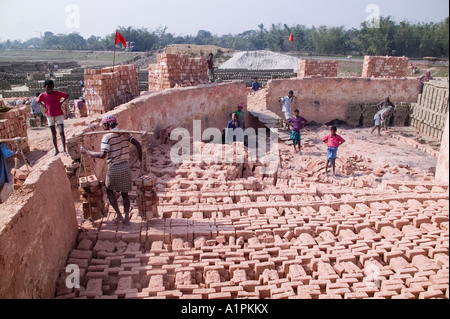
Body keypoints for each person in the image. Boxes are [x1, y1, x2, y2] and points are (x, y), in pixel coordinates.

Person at [81, 115, 143, 226]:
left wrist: (88, 153)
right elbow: (138, 144)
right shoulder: (125, 133)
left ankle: (119, 215)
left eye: (104, 125)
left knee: (109, 190)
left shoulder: (107, 137)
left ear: (108, 125)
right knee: (125, 194)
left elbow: (103, 155)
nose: (104, 127)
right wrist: (141, 160)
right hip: (125, 167)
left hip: (114, 168)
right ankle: (127, 219)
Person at [36, 80, 69, 156]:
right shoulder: (42, 95)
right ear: (45, 87)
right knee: (53, 132)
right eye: (48, 87)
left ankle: (64, 149)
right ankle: (56, 150)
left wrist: (61, 102)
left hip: (58, 114)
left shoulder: (57, 93)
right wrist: (43, 105)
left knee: (61, 131)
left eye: (51, 87)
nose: (50, 89)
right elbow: (37, 100)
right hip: (49, 115)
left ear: (53, 87)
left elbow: (67, 95)